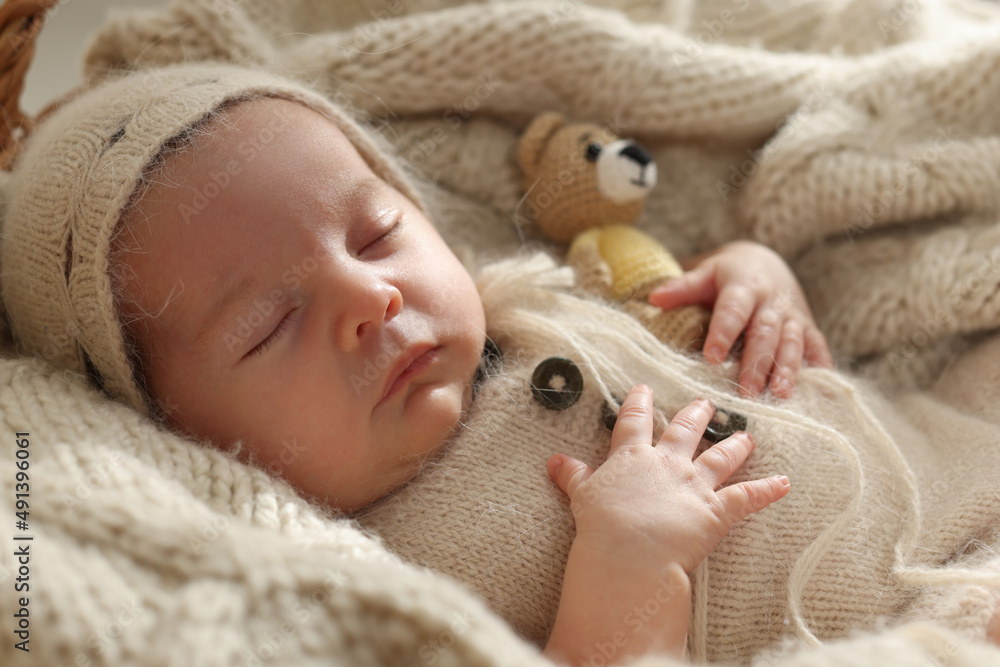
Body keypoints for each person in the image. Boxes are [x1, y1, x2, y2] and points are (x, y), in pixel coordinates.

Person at [10, 63, 999, 666]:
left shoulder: (536, 301)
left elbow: (689, 300)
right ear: (175, 429)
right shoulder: (398, 564)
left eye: (376, 231)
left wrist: (754, 277)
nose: (370, 300)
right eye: (271, 323)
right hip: (922, 610)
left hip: (955, 443)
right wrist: (632, 565)